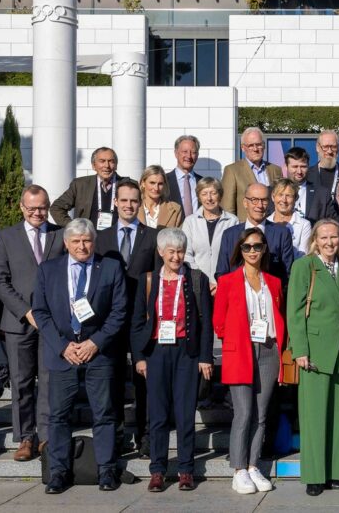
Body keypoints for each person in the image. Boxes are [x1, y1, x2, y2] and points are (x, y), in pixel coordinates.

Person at [31, 219, 127, 494]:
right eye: (76, 241)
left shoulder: (109, 268)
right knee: (59, 416)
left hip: (99, 353)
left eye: (87, 240)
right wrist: (63, 346)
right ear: (66, 243)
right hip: (63, 354)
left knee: (105, 414)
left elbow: (119, 311)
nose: (82, 246)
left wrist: (95, 343)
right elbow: (41, 312)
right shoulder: (48, 270)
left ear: (94, 242)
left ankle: (106, 470)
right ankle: (59, 471)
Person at [130, 228, 213, 493]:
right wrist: (139, 357)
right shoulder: (149, 280)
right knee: (157, 414)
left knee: (185, 412)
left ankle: (186, 469)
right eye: (171, 252)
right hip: (156, 352)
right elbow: (136, 323)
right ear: (161, 252)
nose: (176, 257)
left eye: (180, 251)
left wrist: (204, 356)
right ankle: (157, 470)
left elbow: (206, 323)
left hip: (186, 352)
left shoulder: (196, 279)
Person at [0, 185, 65, 461]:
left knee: (47, 380)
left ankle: (45, 435)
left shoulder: (60, 235)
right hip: (18, 322)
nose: (38, 212)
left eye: (42, 207)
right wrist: (26, 312)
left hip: (52, 323)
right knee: (21, 381)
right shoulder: (5, 237)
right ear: (22, 207)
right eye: (32, 207)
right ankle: (25, 437)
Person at [213, 227, 288, 495]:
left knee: (262, 413)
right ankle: (238, 468)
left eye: (257, 246)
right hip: (240, 350)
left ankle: (254, 464)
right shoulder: (228, 281)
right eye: (247, 247)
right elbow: (218, 321)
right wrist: (233, 339)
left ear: (264, 248)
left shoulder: (274, 282)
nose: (253, 251)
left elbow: (279, 317)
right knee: (243, 413)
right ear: (240, 251)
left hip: (268, 350)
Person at [286, 219, 339, 497]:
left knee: (337, 417)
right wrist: (300, 350)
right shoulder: (304, 266)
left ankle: (334, 471)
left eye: (334, 237)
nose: (329, 242)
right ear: (315, 239)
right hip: (313, 351)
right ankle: (314, 474)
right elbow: (295, 310)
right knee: (314, 417)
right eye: (324, 237)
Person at [93, 179, 159, 457]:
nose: (129, 205)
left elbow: (156, 280)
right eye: (124, 200)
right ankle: (117, 436)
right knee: (113, 380)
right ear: (115, 203)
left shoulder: (154, 236)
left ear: (140, 203)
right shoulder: (102, 237)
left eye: (134, 200)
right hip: (111, 319)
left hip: (143, 318)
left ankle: (146, 436)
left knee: (144, 380)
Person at [214, 183, 295, 284]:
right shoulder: (229, 235)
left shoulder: (282, 234)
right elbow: (221, 273)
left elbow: (287, 273)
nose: (260, 205)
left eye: (264, 200)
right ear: (245, 203)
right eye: (254, 200)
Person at [181, 177, 239, 296]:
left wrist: (221, 282)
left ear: (220, 195)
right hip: (197, 285)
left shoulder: (232, 221)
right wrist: (203, 281)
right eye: (204, 194)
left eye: (213, 193)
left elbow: (235, 256)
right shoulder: (190, 221)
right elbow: (186, 255)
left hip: (225, 285)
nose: (209, 198)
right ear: (199, 196)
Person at [49, 147, 123, 228]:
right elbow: (56, 208)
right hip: (88, 239)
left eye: (111, 161)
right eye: (102, 161)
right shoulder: (80, 185)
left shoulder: (128, 185)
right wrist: (73, 227)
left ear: (116, 165)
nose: (106, 165)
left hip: (117, 239)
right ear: (94, 165)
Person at [221, 127, 283, 222]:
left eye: (258, 144)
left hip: (272, 228)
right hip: (245, 230)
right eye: (251, 145)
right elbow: (228, 209)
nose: (255, 149)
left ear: (264, 146)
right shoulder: (232, 171)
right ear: (243, 148)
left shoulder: (276, 170)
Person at [310, 130, 339, 221]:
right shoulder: (307, 175)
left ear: (338, 148)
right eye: (325, 147)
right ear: (317, 147)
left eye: (333, 147)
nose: (329, 151)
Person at [270, 178, 312, 254]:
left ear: (295, 198)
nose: (284, 200)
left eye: (288, 196)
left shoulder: (304, 225)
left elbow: (303, 255)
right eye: (280, 195)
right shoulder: (266, 222)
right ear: (273, 197)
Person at [166, 135, 202, 222]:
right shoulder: (164, 181)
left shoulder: (203, 182)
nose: (189, 156)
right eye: (185, 151)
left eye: (193, 152)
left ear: (197, 155)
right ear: (176, 153)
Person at [137, 165, 183, 229]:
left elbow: (179, 237)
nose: (156, 188)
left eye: (160, 184)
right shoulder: (133, 207)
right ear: (143, 183)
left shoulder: (175, 209)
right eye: (152, 183)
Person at [284, 147, 319, 222]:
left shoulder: (321, 194)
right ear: (286, 167)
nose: (299, 171)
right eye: (295, 167)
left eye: (303, 166)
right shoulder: (274, 192)